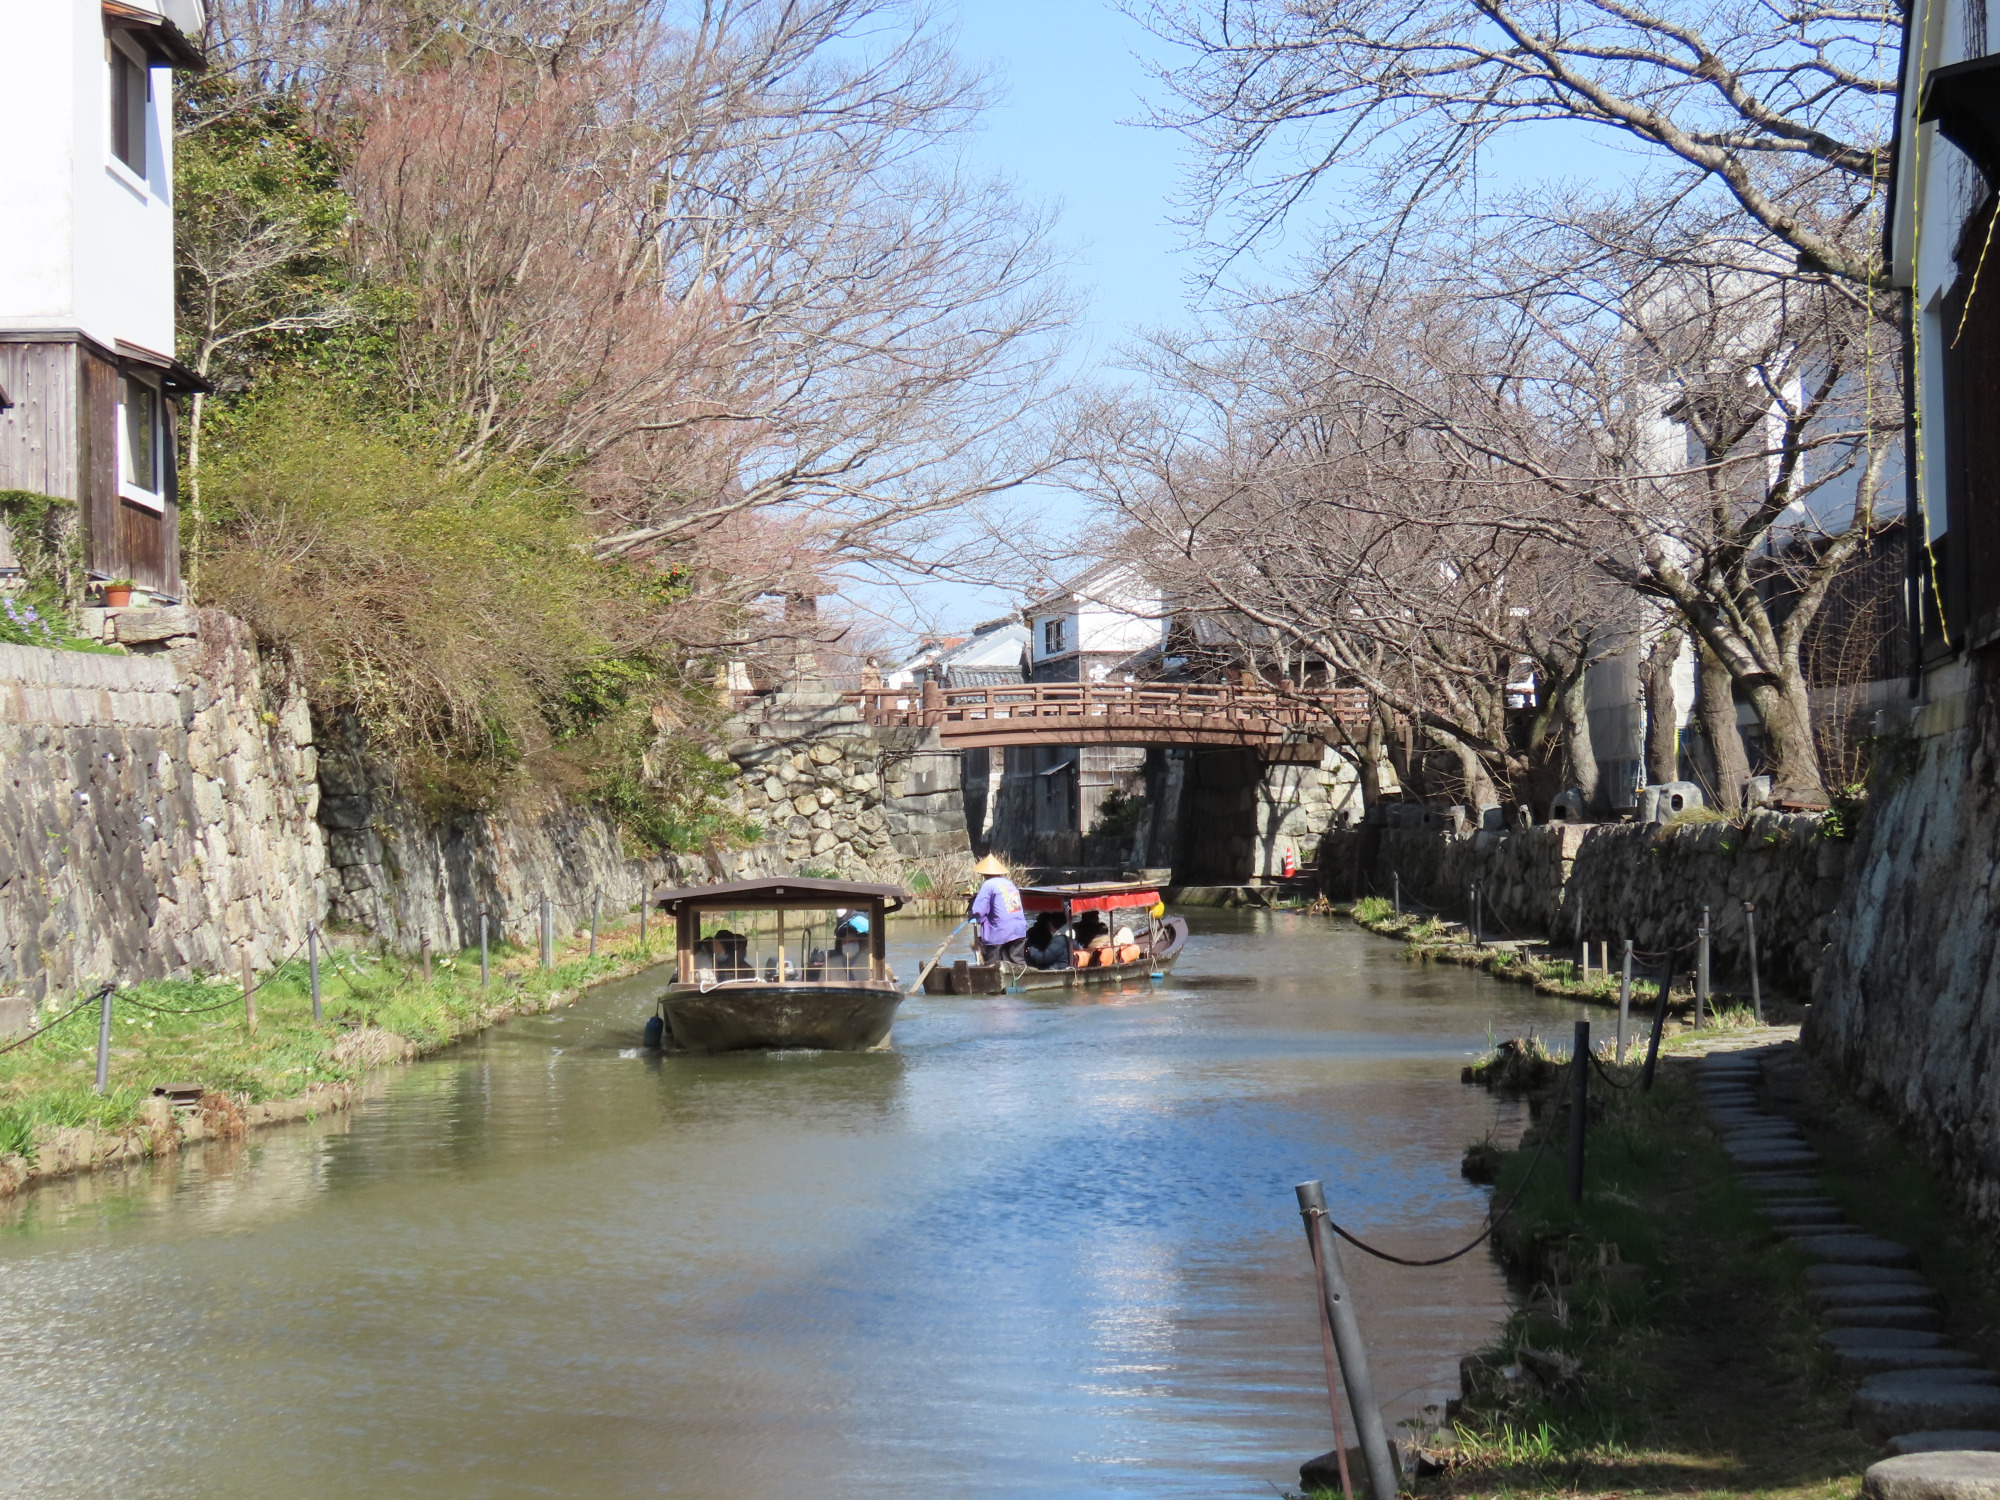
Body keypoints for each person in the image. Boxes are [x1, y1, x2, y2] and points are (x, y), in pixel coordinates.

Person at [967, 853, 1028, 964]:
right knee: (1017, 962)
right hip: (1019, 930)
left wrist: (972, 916)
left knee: (993, 965)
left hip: (999, 932)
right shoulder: (1010, 884)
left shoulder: (988, 885)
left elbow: (979, 910)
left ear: (984, 874)